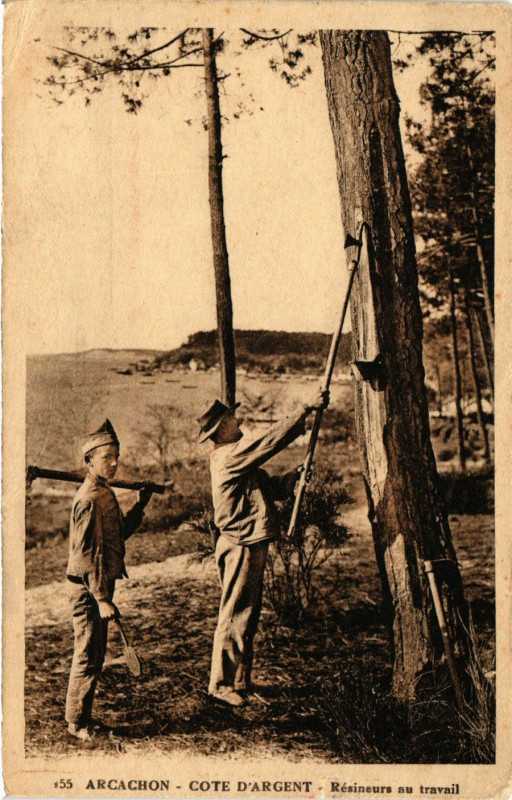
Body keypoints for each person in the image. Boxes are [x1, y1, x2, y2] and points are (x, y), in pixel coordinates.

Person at [197, 388, 328, 707]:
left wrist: (294, 478)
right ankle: (221, 683)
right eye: (232, 417)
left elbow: (270, 489)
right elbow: (268, 442)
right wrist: (303, 410)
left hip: (251, 539)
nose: (238, 418)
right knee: (234, 613)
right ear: (221, 429)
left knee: (248, 614)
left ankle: (239, 681)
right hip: (239, 541)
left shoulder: (239, 460)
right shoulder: (229, 456)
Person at [65, 419, 153, 741]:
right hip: (89, 590)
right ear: (88, 461)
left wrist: (141, 505)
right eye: (106, 458)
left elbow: (117, 539)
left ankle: (81, 717)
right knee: (88, 656)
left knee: (95, 655)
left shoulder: (105, 492)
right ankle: (76, 723)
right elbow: (85, 556)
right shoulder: (89, 499)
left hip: (98, 587)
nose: (114, 462)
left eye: (116, 456)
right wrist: (102, 598)